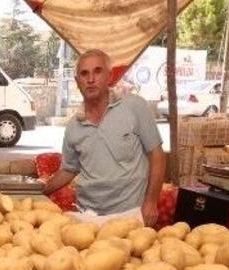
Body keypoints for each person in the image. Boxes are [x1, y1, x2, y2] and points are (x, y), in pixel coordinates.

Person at [43, 49, 166, 227]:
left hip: (130, 214)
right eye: (84, 74)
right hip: (88, 217)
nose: (91, 79)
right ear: (77, 81)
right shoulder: (73, 126)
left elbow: (157, 155)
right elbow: (69, 170)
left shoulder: (134, 107)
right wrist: (40, 190)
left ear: (109, 76)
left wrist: (151, 202)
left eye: (97, 71)